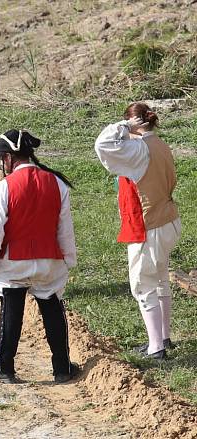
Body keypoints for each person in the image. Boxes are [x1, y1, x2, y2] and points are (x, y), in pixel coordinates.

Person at [0, 129, 80, 384]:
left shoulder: (5, 187)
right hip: (50, 262)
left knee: (11, 308)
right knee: (53, 309)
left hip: (13, 263)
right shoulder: (56, 183)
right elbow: (64, 228)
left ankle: (4, 367)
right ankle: (62, 368)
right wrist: (67, 260)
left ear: (9, 159)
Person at [95, 103, 181, 360]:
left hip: (150, 226)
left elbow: (103, 144)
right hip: (169, 221)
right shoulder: (161, 144)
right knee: (161, 279)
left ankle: (156, 347)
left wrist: (125, 127)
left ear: (135, 124)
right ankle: (164, 336)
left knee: (143, 286)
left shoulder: (139, 149)